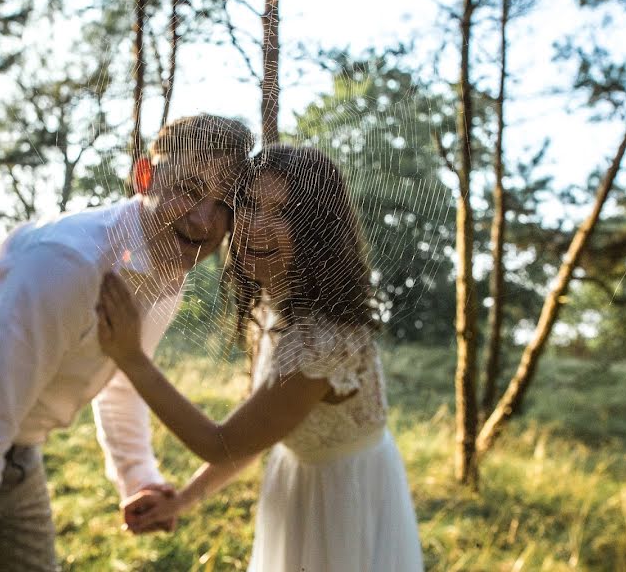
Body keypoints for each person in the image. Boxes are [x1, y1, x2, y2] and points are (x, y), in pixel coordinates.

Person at [0, 114, 254, 572]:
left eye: (224, 202)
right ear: (145, 176)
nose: (204, 219)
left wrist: (137, 476)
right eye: (189, 188)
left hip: (13, 441)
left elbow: (125, 373)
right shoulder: (65, 262)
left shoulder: (169, 266)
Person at [96, 144, 424, 571]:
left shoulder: (323, 340)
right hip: (297, 482)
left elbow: (222, 443)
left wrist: (132, 358)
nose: (253, 226)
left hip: (347, 500)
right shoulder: (274, 302)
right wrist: (181, 500)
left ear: (316, 231)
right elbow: (255, 434)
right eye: (247, 204)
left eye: (283, 213)